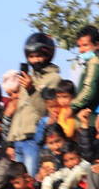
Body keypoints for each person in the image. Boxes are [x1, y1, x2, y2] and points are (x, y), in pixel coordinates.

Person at [7, 33, 60, 176]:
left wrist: (31, 90)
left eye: (38, 56)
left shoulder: (54, 79)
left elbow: (45, 111)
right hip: (18, 139)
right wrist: (10, 142)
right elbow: (19, 111)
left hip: (33, 140)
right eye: (31, 56)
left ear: (48, 54)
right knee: (21, 185)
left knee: (32, 179)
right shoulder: (28, 78)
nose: (35, 60)